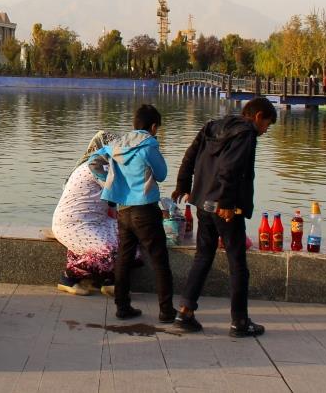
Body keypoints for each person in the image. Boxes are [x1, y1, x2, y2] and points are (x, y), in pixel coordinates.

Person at [171, 96, 277, 337]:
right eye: (267, 125)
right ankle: (240, 322)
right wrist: (227, 203)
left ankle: (185, 313)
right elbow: (230, 167)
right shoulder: (246, 133)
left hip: (202, 203)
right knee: (238, 264)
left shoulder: (212, 125)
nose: (264, 131)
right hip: (225, 207)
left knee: (203, 256)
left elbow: (190, 155)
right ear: (258, 116)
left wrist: (183, 185)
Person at [88, 104, 176, 323]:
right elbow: (162, 174)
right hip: (145, 209)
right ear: (153, 126)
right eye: (157, 129)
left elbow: (92, 161)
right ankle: (166, 311)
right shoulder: (148, 145)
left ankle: (122, 306)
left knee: (124, 259)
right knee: (159, 260)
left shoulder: (115, 145)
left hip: (123, 211)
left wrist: (107, 181)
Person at [51, 130, 122, 296]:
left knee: (127, 241)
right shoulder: (97, 167)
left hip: (95, 222)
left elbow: (112, 206)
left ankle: (108, 280)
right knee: (108, 253)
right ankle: (68, 277)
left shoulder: (105, 167)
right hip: (73, 224)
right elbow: (118, 193)